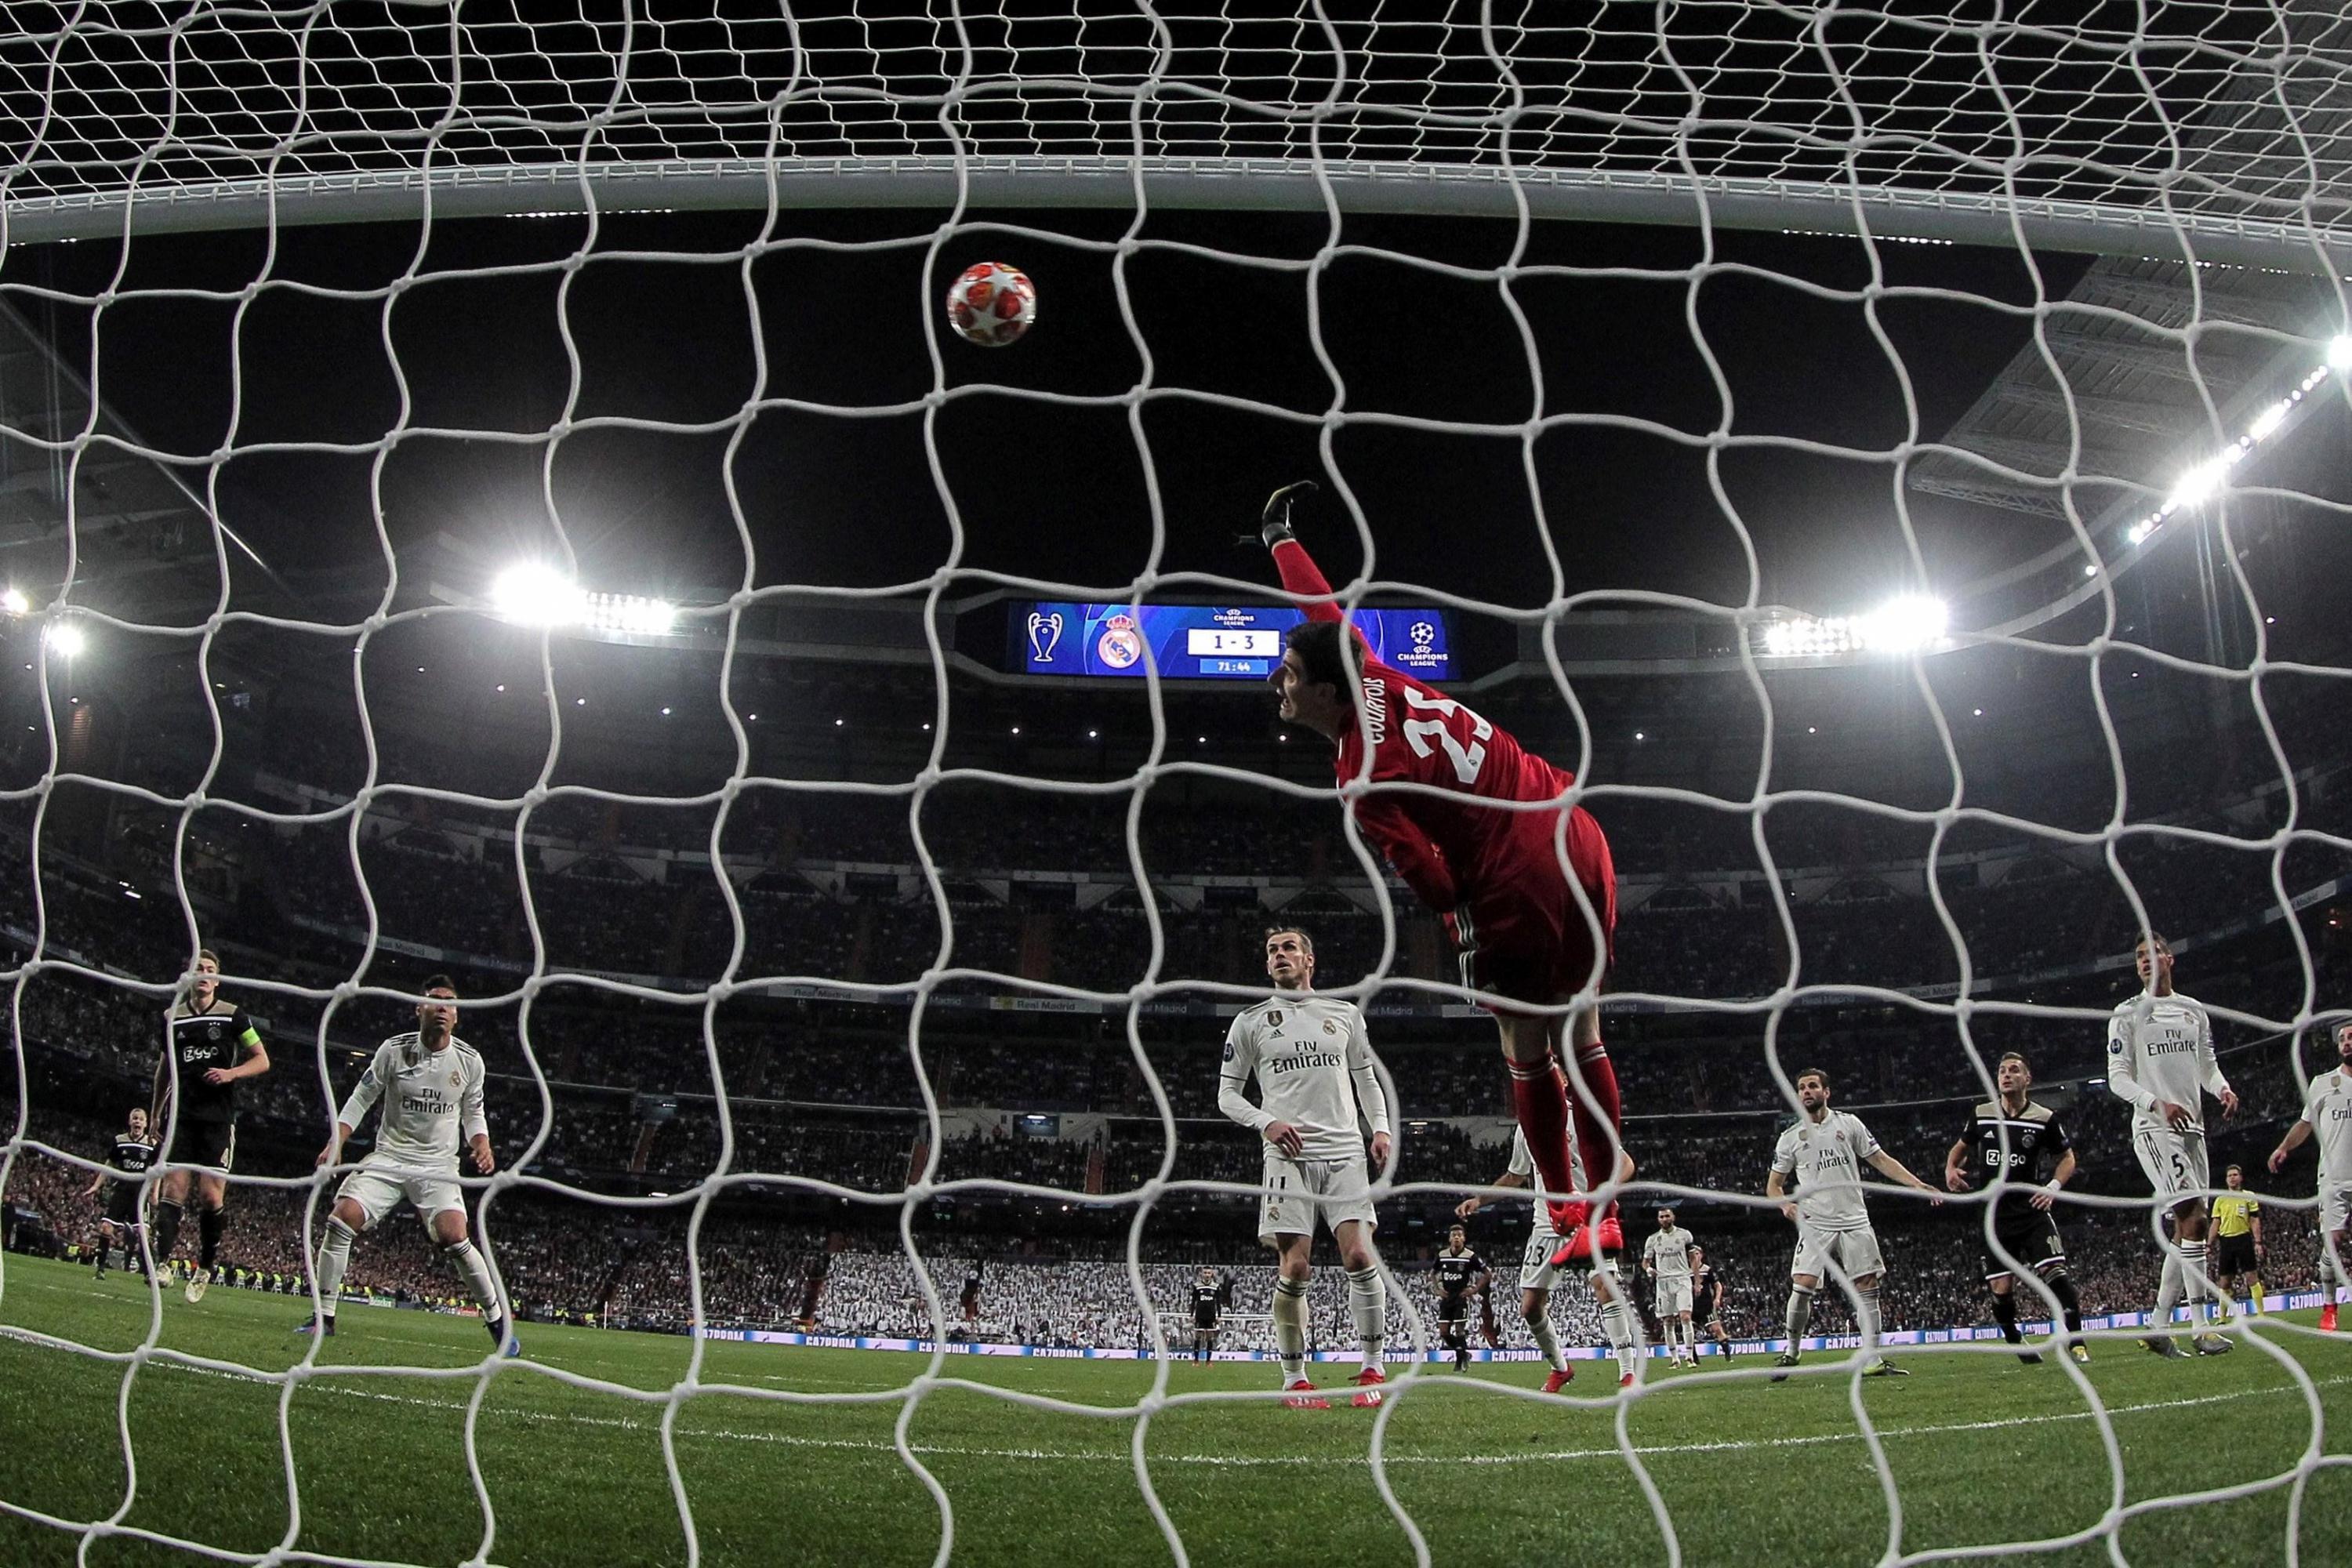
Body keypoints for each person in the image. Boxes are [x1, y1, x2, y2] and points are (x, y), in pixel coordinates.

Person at [1258, 484, 1623, 1257]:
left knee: (1527, 1048)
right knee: (1586, 1033)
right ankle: (1610, 1209)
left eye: (1287, 672)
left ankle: (1564, 1212)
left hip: (1520, 877)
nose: (1277, 681)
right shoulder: (1377, 672)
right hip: (1574, 824)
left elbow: (1433, 880)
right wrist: (1278, 537)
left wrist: (1458, 909)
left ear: (1325, 690)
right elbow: (1322, 607)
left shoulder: (1360, 774)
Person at [1218, 925, 1394, 1409]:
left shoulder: (1344, 1014)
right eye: (1272, 950)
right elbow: (1227, 1095)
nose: (1279, 955)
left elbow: (1366, 1078)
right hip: (1287, 1156)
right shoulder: (1250, 1022)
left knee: (1359, 1257)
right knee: (1296, 1267)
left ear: (1309, 960)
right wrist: (1267, 1122)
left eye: (1288, 948)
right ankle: (1295, 1379)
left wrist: (1379, 1128)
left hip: (1344, 1153)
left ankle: (1371, 1370)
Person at [296, 976, 518, 1356]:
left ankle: (499, 1324)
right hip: (389, 1157)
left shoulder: (469, 1062)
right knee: (340, 1217)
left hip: (437, 1165)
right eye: (434, 1000)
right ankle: (324, 1317)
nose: (443, 1007)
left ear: (457, 1014)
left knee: (455, 1236)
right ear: (419, 1008)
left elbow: (474, 1113)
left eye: (450, 1002)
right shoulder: (393, 1050)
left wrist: (482, 1145)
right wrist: (338, 1142)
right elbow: (361, 1097)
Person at [2106, 934, 2238, 1358]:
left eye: (2151, 954)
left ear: (2170, 958)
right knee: (2195, 1220)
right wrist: (2156, 1103)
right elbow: (2118, 1077)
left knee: (2187, 1231)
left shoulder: (2192, 1010)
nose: (2145, 961)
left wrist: (2223, 1089)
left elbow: (2207, 1066)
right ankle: (2201, 1328)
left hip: (2194, 1131)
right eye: (2139, 956)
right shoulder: (2126, 1013)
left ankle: (2159, 1326)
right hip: (2154, 1129)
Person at [1766, 1068, 1943, 1381]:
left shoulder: (1848, 1125)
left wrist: (1918, 1184)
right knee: (1803, 1284)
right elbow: (1774, 1185)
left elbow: (1881, 1159)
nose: (1806, 1092)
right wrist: (1785, 1205)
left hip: (1854, 1219)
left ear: (1826, 1092)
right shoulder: (1790, 1138)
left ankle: (1873, 1359)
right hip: (1816, 1222)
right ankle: (1792, 1351)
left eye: (1812, 1086)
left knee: (1867, 1288)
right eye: (1802, 1088)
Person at [1457, 1127, 1643, 1392]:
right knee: (1530, 1308)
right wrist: (1480, 1199)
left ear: (1566, 1082)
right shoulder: (1527, 1126)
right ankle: (1561, 1368)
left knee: (1606, 1286)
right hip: (1547, 1224)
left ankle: (1627, 1372)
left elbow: (1625, 1163)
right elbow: (1515, 1176)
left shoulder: (1581, 1116)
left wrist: (1603, 1194)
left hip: (1588, 1216)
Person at [1942, 1051, 2088, 1366]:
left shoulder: (2044, 1118)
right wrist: (1951, 1170)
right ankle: (2014, 1339)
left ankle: (2077, 1343)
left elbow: (2067, 1158)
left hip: (2031, 1210)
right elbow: (1959, 1149)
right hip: (1994, 1214)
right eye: (2002, 1071)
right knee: (2001, 1288)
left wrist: (2052, 1188)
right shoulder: (1982, 1114)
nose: (2006, 1075)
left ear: (2027, 1079)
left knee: (2056, 1274)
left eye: (2013, 1071)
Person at [149, 949, 270, 1302]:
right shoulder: (172, 1018)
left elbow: (262, 1059)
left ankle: (205, 1267)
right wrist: (156, 1111)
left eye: (210, 969)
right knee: (173, 1191)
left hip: (218, 1118)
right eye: (198, 968)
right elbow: (164, 1069)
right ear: (188, 977)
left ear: (217, 979)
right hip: (181, 1117)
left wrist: (232, 1073)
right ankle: (163, 1262)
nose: (203, 974)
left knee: (210, 1196)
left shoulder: (233, 1016)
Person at [2269, 1018, 2352, 1332]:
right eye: (2342, 1038)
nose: (2346, 1042)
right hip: (2333, 1179)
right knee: (2333, 1244)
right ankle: (2329, 1307)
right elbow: (2305, 1124)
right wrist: (2284, 1148)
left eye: (2351, 1037)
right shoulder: (2323, 1083)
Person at [83, 1107, 156, 1280]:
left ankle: (148, 1273)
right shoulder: (120, 1141)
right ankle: (100, 1268)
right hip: (121, 1191)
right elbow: (109, 1165)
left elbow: (156, 1171)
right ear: (130, 1121)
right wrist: (96, 1185)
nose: (137, 1122)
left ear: (146, 1124)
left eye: (141, 1119)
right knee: (106, 1228)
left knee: (144, 1234)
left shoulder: (152, 1144)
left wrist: (155, 1193)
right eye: (135, 1118)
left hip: (140, 1194)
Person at [1642, 1207, 1699, 1368]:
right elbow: (1646, 1262)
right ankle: (1674, 1359)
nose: (1665, 1219)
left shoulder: (1684, 1235)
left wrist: (1696, 1281)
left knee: (1686, 1317)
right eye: (1661, 1217)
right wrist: (1648, 1269)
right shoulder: (1653, 1239)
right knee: (1668, 1321)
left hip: (1682, 1279)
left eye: (1667, 1216)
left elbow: (1693, 1259)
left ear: (1673, 1217)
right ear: (1658, 1219)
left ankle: (1689, 1356)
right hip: (1663, 1282)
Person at [2207, 1166, 2264, 1323]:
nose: (2232, 1178)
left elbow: (2254, 1219)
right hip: (2226, 1242)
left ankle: (2260, 1314)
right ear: (2226, 1180)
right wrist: (2209, 1244)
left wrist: (2258, 1242)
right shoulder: (2220, 1199)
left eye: (2235, 1175)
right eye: (2229, 1175)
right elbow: (2215, 1223)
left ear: (2240, 1177)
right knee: (2224, 1281)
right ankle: (2222, 1318)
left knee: (2251, 1276)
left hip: (2244, 1239)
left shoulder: (2249, 1196)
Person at [1431, 1223, 1490, 1373]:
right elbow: (1432, 1273)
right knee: (1444, 1332)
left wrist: (1474, 1289)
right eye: (1454, 1235)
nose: (1456, 1238)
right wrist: (1438, 1289)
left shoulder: (1470, 1256)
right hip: (1447, 1297)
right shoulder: (1442, 1255)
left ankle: (1459, 1362)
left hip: (1460, 1297)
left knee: (1459, 1330)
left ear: (1464, 1238)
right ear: (1449, 1239)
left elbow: (1487, 1274)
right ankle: (1464, 1353)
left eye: (1459, 1235)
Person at [1690, 1245, 1733, 1359]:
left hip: (1706, 1305)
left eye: (1697, 1253)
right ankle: (1694, 1358)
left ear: (1701, 1255)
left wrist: (1717, 1298)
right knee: (1689, 1332)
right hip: (1691, 1306)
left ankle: (1728, 1355)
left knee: (1717, 1329)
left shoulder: (1707, 1270)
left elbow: (1717, 1285)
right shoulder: (1685, 1271)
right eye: (1693, 1254)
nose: (1695, 1256)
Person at [1188, 1267, 1228, 1363]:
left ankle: (1208, 1361)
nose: (1207, 1275)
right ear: (1202, 1274)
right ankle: (1196, 1360)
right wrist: (1191, 1314)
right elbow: (1193, 1301)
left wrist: (1219, 1315)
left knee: (1210, 1337)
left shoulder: (1216, 1286)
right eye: (1205, 1273)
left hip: (1211, 1315)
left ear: (1212, 1274)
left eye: (1209, 1273)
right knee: (1198, 1336)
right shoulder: (1197, 1286)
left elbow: (1218, 1302)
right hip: (1199, 1315)